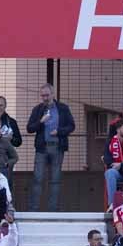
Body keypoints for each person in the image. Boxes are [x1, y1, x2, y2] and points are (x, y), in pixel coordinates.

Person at [27, 83, 75, 212]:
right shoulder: (37, 110)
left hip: (57, 148)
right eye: (42, 95)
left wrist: (59, 131)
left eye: (47, 95)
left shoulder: (63, 108)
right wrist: (41, 121)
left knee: (55, 180)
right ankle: (34, 210)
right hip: (42, 148)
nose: (45, 98)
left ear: (53, 94)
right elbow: (30, 128)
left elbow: (71, 126)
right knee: (37, 178)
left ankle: (53, 210)